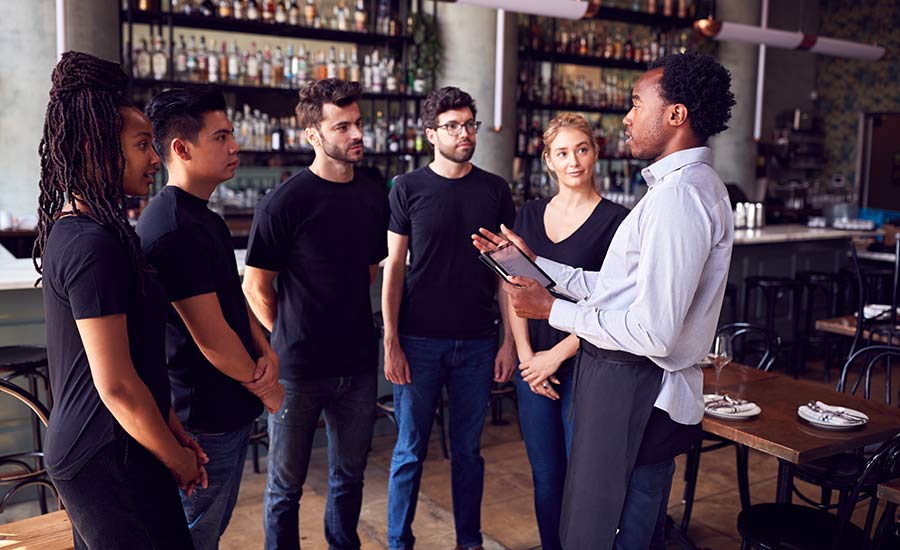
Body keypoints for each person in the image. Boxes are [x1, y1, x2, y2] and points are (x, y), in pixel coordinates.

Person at [473, 51, 736, 549]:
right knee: (594, 521)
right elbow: (615, 289)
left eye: (637, 103)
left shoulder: (680, 197)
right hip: (628, 388)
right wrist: (537, 264)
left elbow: (653, 331)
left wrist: (551, 310)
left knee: (619, 532)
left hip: (641, 393)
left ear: (676, 114)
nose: (628, 118)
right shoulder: (677, 189)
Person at [33, 51, 205, 549]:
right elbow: (117, 386)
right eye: (141, 145)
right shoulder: (90, 244)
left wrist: (173, 433)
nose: (155, 158)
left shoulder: (102, 232)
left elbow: (139, 360)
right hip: (102, 452)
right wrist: (176, 458)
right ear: (95, 147)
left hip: (123, 442)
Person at [242, 78, 389, 550]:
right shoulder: (284, 203)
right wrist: (290, 335)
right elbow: (256, 286)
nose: (356, 134)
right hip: (299, 370)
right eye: (342, 126)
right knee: (285, 488)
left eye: (359, 123)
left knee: (350, 479)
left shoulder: (372, 193)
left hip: (358, 364)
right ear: (313, 135)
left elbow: (368, 268)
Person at [137, 87, 285, 550]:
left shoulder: (205, 218)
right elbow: (212, 337)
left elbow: (233, 298)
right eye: (220, 137)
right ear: (181, 149)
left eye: (232, 134)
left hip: (229, 405)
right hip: (201, 415)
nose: (235, 145)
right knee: (195, 536)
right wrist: (266, 385)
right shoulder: (172, 228)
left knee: (211, 528)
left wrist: (266, 348)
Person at [383, 86, 517, 550]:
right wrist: (392, 341)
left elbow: (508, 273)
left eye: (469, 124)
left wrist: (509, 342)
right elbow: (393, 268)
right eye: (453, 126)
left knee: (468, 453)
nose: (464, 133)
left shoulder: (495, 190)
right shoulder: (406, 188)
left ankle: (469, 541)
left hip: (479, 342)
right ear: (430, 134)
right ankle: (399, 542)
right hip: (419, 341)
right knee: (408, 452)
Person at [511, 113, 629, 550]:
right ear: (549, 161)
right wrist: (526, 355)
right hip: (532, 369)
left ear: (596, 153)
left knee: (586, 481)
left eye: (582, 149)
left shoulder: (619, 221)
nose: (574, 160)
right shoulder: (528, 214)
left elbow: (614, 302)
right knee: (546, 478)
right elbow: (514, 289)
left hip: (589, 365)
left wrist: (554, 356)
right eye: (563, 152)